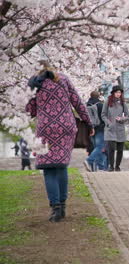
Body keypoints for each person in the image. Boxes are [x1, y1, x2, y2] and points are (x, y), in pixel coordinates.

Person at [26, 60, 93, 222]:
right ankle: (62, 206)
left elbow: (30, 111)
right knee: (61, 165)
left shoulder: (34, 84)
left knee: (49, 168)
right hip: (66, 127)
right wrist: (88, 122)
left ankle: (55, 208)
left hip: (45, 129)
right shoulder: (63, 79)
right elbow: (78, 102)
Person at [101, 85, 129, 172]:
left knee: (120, 150)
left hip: (120, 129)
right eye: (117, 92)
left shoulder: (123, 103)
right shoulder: (107, 102)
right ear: (113, 93)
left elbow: (128, 116)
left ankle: (117, 166)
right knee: (111, 149)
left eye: (120, 92)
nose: (118, 94)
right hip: (110, 129)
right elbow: (103, 115)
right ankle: (111, 166)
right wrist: (108, 123)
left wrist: (121, 119)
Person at [84, 91, 107, 172]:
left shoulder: (86, 105)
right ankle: (89, 160)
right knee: (100, 147)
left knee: (96, 148)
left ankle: (100, 168)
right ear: (98, 96)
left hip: (90, 129)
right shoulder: (100, 105)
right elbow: (104, 117)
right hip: (100, 129)